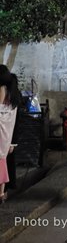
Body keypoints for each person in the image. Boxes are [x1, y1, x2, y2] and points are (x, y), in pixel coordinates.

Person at [0, 66, 21, 204]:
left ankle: (2, 192)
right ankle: (2, 193)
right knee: (4, 163)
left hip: (3, 136)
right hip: (8, 138)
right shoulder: (14, 94)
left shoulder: (2, 89)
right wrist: (13, 141)